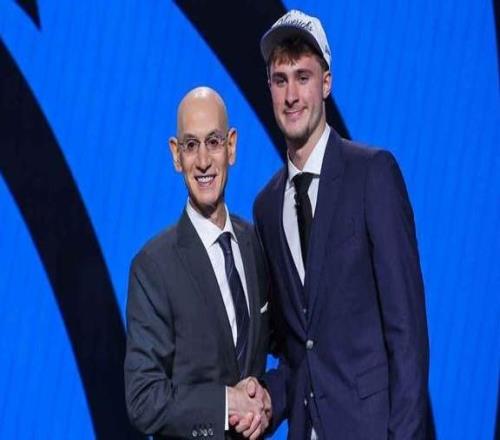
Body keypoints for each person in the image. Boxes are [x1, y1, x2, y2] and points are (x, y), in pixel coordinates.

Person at [250, 9, 429, 439]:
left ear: (326, 83)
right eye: (280, 80)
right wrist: (265, 399)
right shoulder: (267, 207)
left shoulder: (372, 174)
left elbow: (407, 333)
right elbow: (300, 350)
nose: (291, 95)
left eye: (303, 77)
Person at [124, 87, 271, 439]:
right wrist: (226, 404)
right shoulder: (153, 267)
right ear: (176, 156)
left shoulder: (255, 245)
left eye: (213, 142)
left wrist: (267, 398)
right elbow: (143, 398)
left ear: (231, 146)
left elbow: (286, 346)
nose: (203, 161)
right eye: (191, 145)